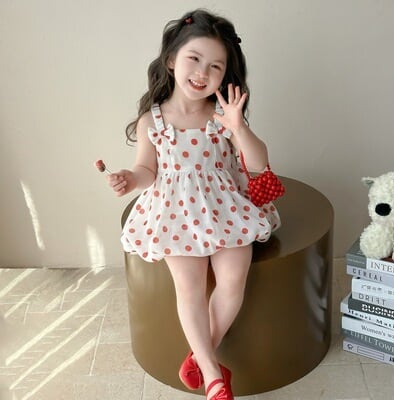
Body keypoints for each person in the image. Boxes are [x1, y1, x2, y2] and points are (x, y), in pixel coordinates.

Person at [107, 9, 281, 400]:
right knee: (189, 289)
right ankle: (215, 378)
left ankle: (201, 359)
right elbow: (147, 170)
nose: (203, 72)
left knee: (233, 279)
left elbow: (258, 163)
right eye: (195, 59)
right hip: (175, 211)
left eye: (215, 66)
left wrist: (238, 126)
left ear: (225, 75)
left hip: (225, 207)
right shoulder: (152, 121)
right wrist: (130, 179)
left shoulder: (222, 116)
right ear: (172, 60)